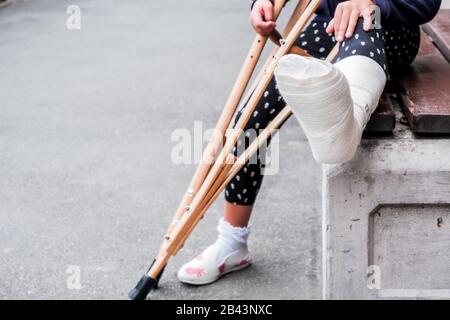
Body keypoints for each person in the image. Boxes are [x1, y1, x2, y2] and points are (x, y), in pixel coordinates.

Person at [176, 0, 441, 285]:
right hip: (321, 27)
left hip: (384, 27)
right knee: (247, 122)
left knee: (363, 23)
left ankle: (348, 117)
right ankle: (232, 242)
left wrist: (370, 2)